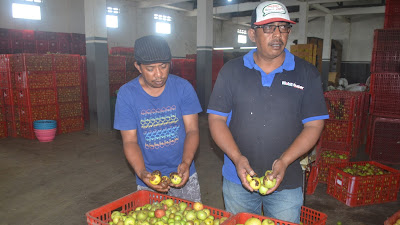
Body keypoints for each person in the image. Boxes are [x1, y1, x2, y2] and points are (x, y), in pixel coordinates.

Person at [207, 1, 329, 223]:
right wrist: (237, 158)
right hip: (237, 178)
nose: (278, 35)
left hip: (287, 179)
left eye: (283, 27)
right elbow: (216, 119)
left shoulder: (306, 73)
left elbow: (314, 125)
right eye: (269, 28)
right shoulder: (232, 71)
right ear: (252, 34)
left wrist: (284, 161)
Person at [114, 35, 202, 202]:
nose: (159, 74)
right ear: (138, 67)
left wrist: (186, 162)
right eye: (150, 68)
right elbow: (130, 141)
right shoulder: (127, 94)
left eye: (163, 66)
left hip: (183, 172)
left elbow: (192, 130)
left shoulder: (183, 88)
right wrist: (141, 173)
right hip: (148, 176)